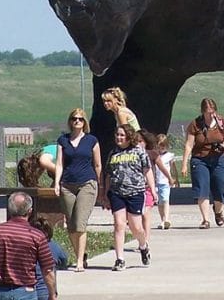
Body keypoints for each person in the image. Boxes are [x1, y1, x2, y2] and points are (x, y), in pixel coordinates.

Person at [0, 191, 57, 300]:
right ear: (30, 211)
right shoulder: (37, 236)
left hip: (0, 291)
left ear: (9, 209)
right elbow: (47, 269)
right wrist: (52, 294)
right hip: (26, 292)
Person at [54, 108, 101, 272]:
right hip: (67, 185)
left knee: (80, 223)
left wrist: (99, 184)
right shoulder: (62, 140)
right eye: (74, 118)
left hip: (87, 183)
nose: (77, 121)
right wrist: (57, 184)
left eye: (80, 119)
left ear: (84, 122)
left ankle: (80, 261)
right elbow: (59, 164)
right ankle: (82, 254)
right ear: (70, 121)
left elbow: (97, 164)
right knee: (71, 224)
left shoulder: (91, 140)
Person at [102, 125, 154, 271]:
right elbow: (108, 175)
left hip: (136, 192)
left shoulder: (139, 152)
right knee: (119, 224)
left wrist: (153, 189)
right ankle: (120, 259)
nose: (119, 138)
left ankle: (143, 247)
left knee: (136, 227)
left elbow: (147, 171)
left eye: (122, 135)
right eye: (117, 135)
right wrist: (105, 193)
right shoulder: (113, 153)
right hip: (117, 192)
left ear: (129, 137)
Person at [181, 97, 224, 228]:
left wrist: (223, 145)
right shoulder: (195, 124)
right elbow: (189, 144)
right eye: (208, 112)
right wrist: (184, 163)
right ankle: (205, 220)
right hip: (200, 159)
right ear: (203, 112)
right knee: (201, 188)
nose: (211, 115)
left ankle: (218, 210)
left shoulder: (221, 122)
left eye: (212, 112)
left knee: (221, 187)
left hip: (218, 157)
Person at [31, 217, 68, 300]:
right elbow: (64, 260)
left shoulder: (27, 247)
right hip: (46, 291)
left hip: (28, 291)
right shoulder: (55, 247)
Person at [153, 133, 179, 229]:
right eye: (159, 146)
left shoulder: (170, 156)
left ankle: (166, 219)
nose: (161, 149)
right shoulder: (154, 156)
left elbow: (173, 168)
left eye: (163, 146)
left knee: (165, 200)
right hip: (156, 182)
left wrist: (175, 178)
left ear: (167, 146)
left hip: (165, 182)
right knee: (159, 203)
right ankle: (162, 219)